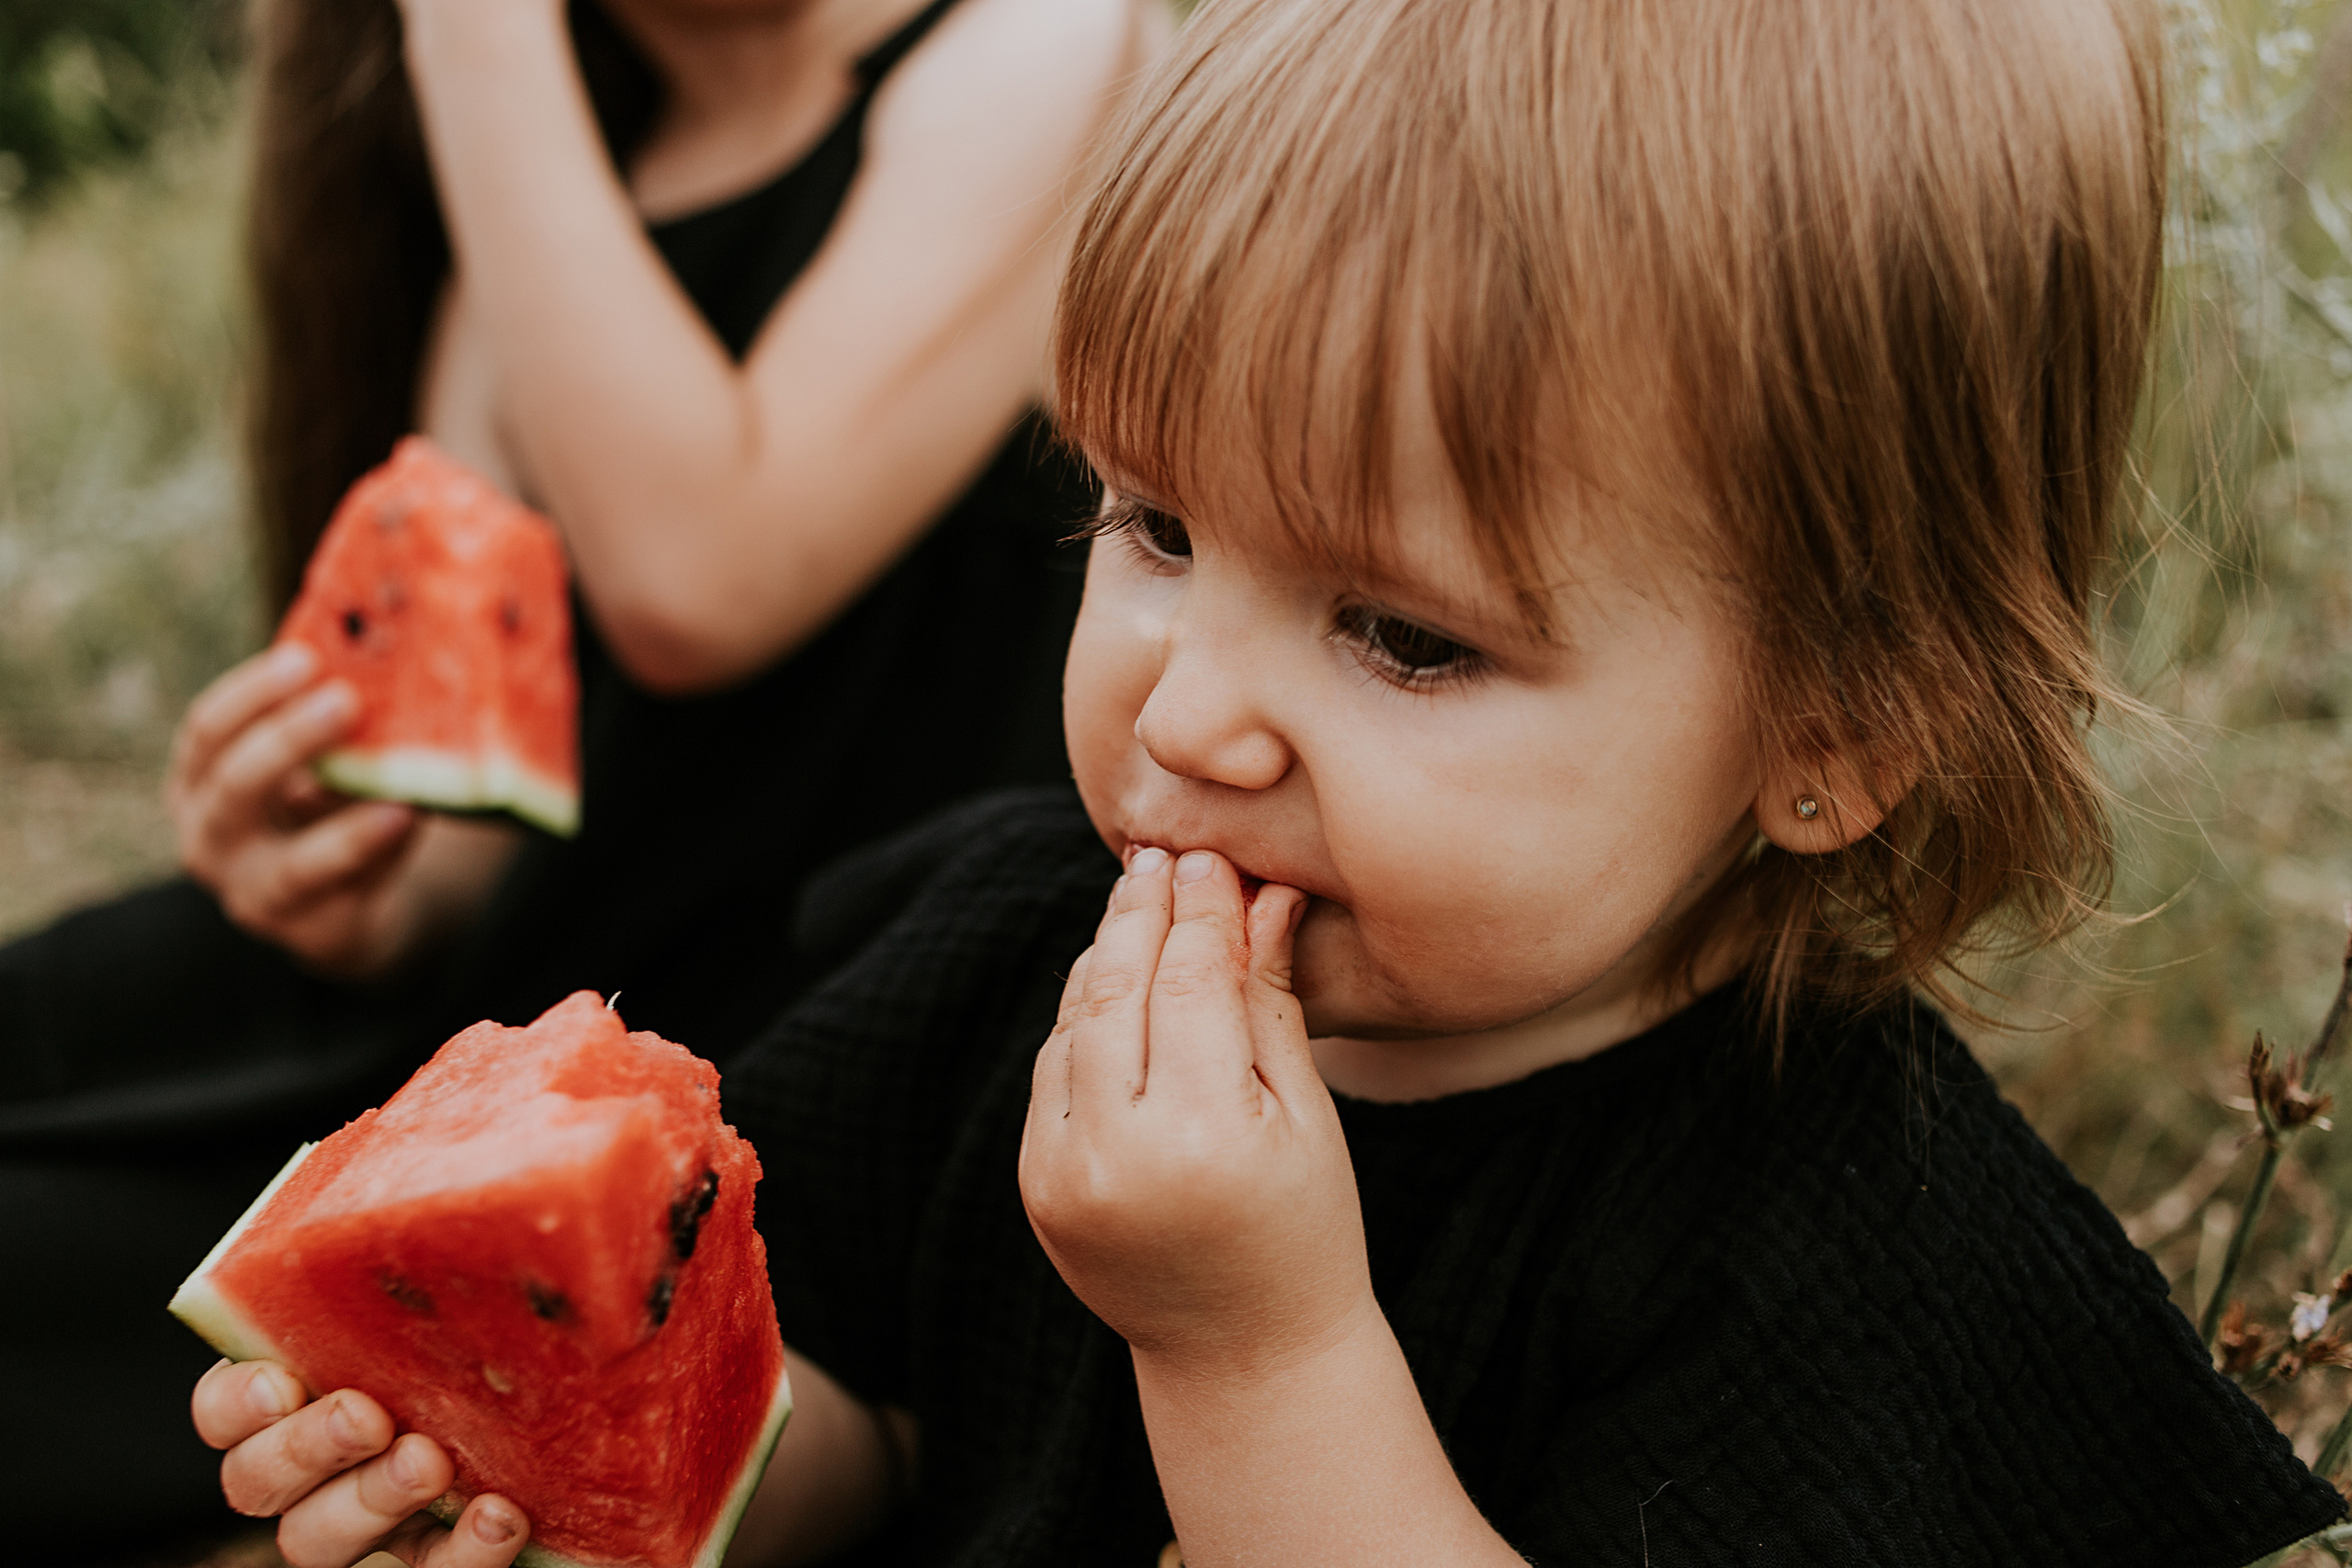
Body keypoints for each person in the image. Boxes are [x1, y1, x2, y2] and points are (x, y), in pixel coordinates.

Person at [183, 0, 2348, 1562]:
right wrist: (556, 1457)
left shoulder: (1833, 1236)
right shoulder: (997, 947)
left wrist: (1255, 1351)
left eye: (1398, 632)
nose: (1184, 714)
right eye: (1152, 523)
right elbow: (871, 1430)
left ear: (1837, 735)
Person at [2, 0, 1155, 1556]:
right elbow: (476, 828)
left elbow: (700, 577)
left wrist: (474, 37)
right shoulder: (567, 171)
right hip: (497, 1026)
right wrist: (351, 885)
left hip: (791, 1055)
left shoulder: (1034, 46)